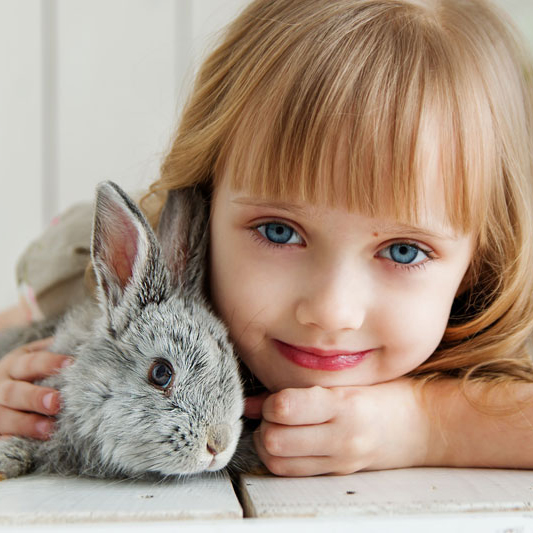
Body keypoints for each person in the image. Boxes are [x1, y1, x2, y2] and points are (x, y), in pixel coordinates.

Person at [2, 0, 533, 477]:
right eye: (279, 231)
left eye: (403, 250)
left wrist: (426, 425)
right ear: (207, 199)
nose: (331, 311)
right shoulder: (112, 266)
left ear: (483, 262)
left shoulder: (501, 326)